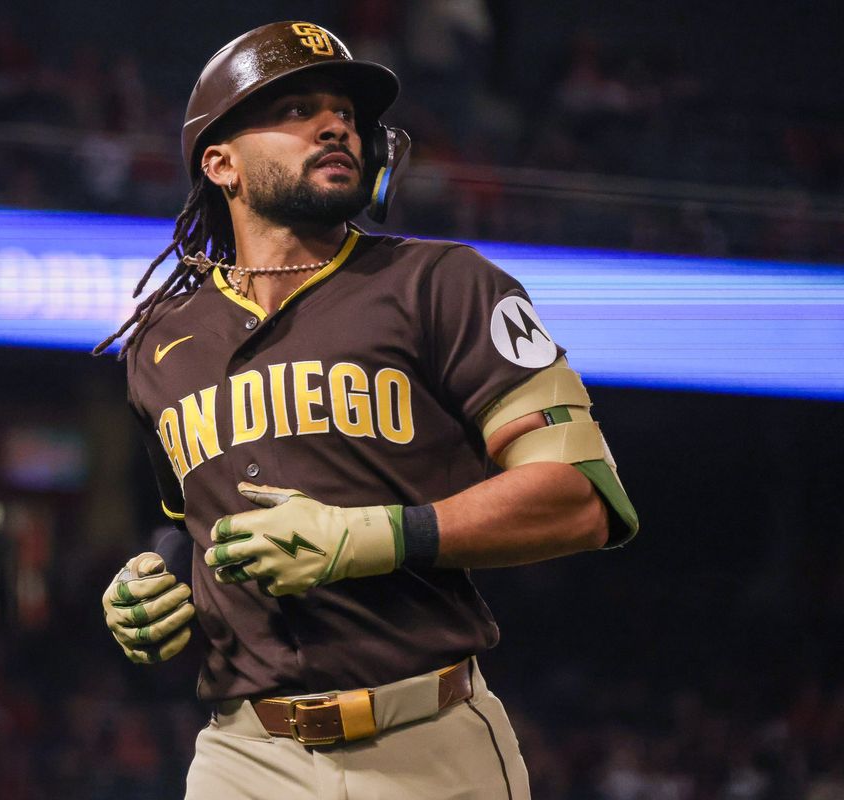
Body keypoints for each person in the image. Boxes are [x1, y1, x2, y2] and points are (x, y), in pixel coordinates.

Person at [95, 21, 638, 799]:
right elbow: (194, 525)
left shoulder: (447, 285)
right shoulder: (160, 342)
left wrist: (375, 535)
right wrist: (148, 589)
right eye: (295, 109)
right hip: (244, 759)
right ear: (220, 162)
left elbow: (580, 498)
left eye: (346, 112)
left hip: (429, 742)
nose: (336, 124)